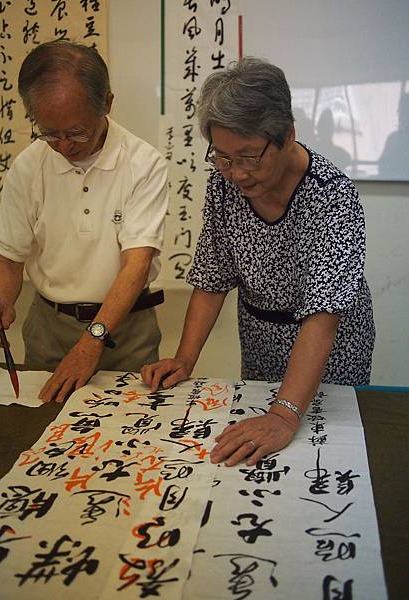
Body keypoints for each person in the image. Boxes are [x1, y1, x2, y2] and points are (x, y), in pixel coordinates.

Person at [141, 57, 375, 467]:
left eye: (249, 156)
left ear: (286, 136)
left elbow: (322, 315)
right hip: (261, 340)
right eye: (223, 157)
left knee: (320, 458)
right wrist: (184, 359)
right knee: (258, 460)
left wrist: (285, 414)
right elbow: (213, 276)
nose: (237, 174)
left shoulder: (333, 196)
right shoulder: (225, 182)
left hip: (330, 349)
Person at [0, 40, 168, 404]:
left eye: (77, 132)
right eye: (50, 133)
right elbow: (8, 255)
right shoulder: (28, 166)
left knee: (127, 434)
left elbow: (137, 263)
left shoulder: (143, 164)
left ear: (107, 104)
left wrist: (93, 339)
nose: (65, 146)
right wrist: (0, 302)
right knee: (43, 436)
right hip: (49, 329)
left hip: (126, 332)